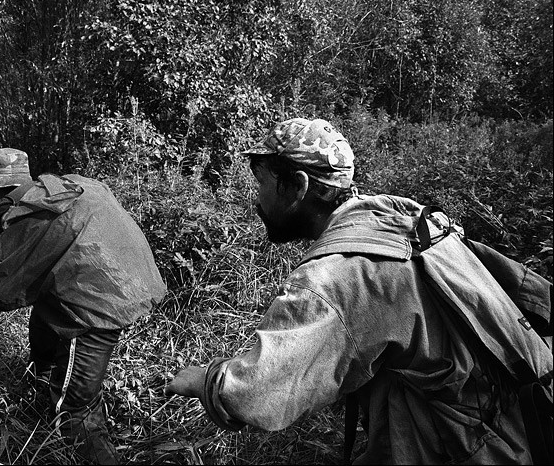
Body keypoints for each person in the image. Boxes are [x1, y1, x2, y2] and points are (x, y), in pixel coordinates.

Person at [165, 118, 553, 464]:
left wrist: (203, 379)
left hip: (478, 446)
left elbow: (258, 393)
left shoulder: (335, 279)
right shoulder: (402, 218)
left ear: (298, 186)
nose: (257, 200)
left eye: (263, 184)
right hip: (526, 414)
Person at [0, 148, 166, 464]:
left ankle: (82, 434)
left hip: (96, 306)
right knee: (44, 318)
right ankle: (44, 396)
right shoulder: (70, 184)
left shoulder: (30, 220)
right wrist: (3, 237)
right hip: (133, 276)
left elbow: (0, 293)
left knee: (79, 409)